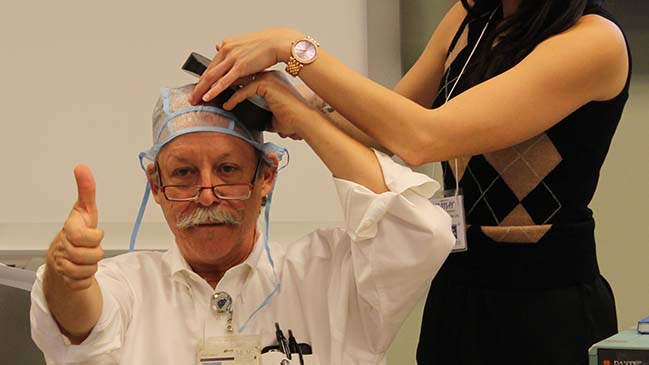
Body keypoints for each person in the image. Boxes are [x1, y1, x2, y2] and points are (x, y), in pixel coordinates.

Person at [188, 0, 631, 363]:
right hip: (457, 289)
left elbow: (423, 137)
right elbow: (384, 128)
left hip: (546, 303)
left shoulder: (593, 40)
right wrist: (291, 105)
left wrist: (296, 50)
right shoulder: (470, 17)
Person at [30, 81, 455, 364]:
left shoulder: (330, 275)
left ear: (266, 177)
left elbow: (422, 231)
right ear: (155, 186)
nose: (207, 194)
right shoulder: (128, 285)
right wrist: (67, 273)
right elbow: (78, 321)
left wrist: (307, 121)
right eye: (183, 174)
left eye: (229, 170)